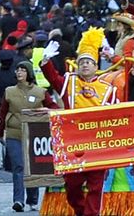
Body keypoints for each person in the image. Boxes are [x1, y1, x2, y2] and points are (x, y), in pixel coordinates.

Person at [39, 29, 117, 216]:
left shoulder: (108, 88)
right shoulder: (70, 82)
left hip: (98, 144)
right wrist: (45, 62)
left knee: (96, 187)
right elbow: (53, 78)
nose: (85, 66)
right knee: (72, 186)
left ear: (96, 65)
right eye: (82, 62)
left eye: (89, 62)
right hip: (74, 144)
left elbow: (117, 115)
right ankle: (82, 212)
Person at [0, 60, 55, 212]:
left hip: (34, 134)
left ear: (29, 73)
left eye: (23, 70)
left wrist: (45, 111)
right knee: (19, 166)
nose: (19, 73)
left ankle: (32, 199)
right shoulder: (9, 91)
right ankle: (18, 200)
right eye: (17, 70)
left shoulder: (40, 92)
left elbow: (54, 108)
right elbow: (2, 112)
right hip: (14, 133)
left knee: (33, 167)